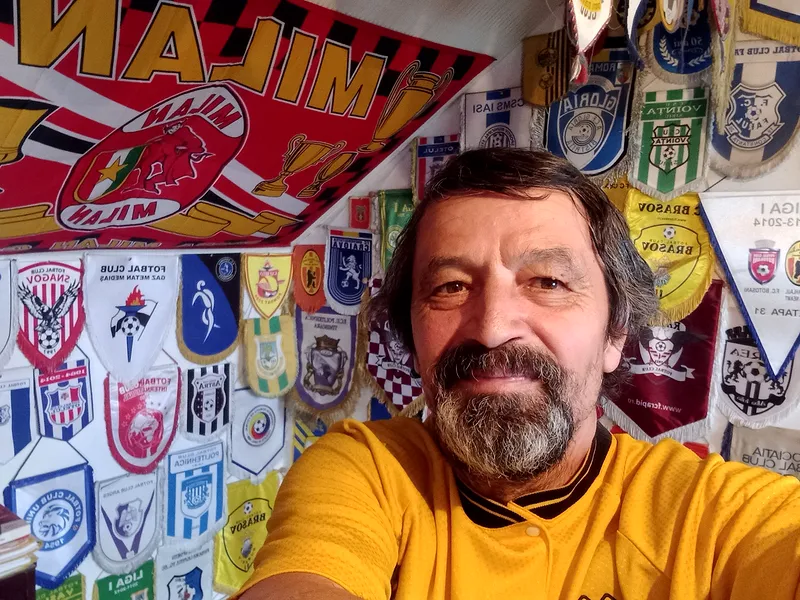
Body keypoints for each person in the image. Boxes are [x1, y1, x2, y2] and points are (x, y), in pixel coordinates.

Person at [238, 149, 800, 600]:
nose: (492, 327)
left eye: (548, 282)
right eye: (451, 286)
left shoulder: (708, 518)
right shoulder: (369, 473)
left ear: (615, 335)